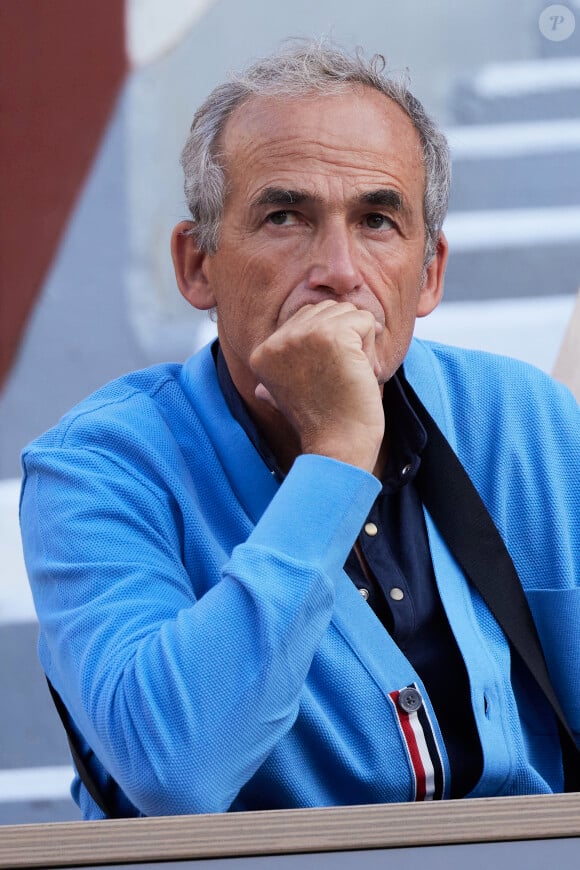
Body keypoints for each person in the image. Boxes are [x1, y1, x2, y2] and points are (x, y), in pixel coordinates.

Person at [20, 41, 580, 820]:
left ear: (430, 275)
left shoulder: (524, 423)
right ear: (197, 266)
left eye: (378, 221)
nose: (339, 270)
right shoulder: (98, 470)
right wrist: (337, 457)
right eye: (286, 217)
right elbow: (176, 771)